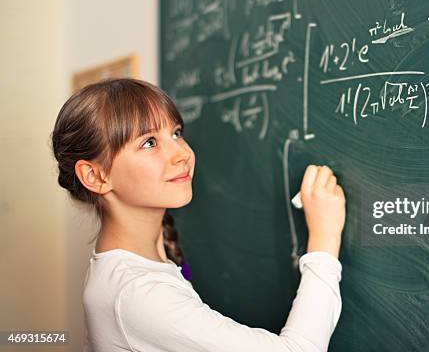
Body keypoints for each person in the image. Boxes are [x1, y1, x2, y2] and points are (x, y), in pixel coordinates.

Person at [51, 78, 346, 351]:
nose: (182, 153)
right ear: (95, 176)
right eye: (149, 143)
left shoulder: (129, 267)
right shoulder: (138, 295)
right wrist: (325, 237)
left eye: (176, 133)